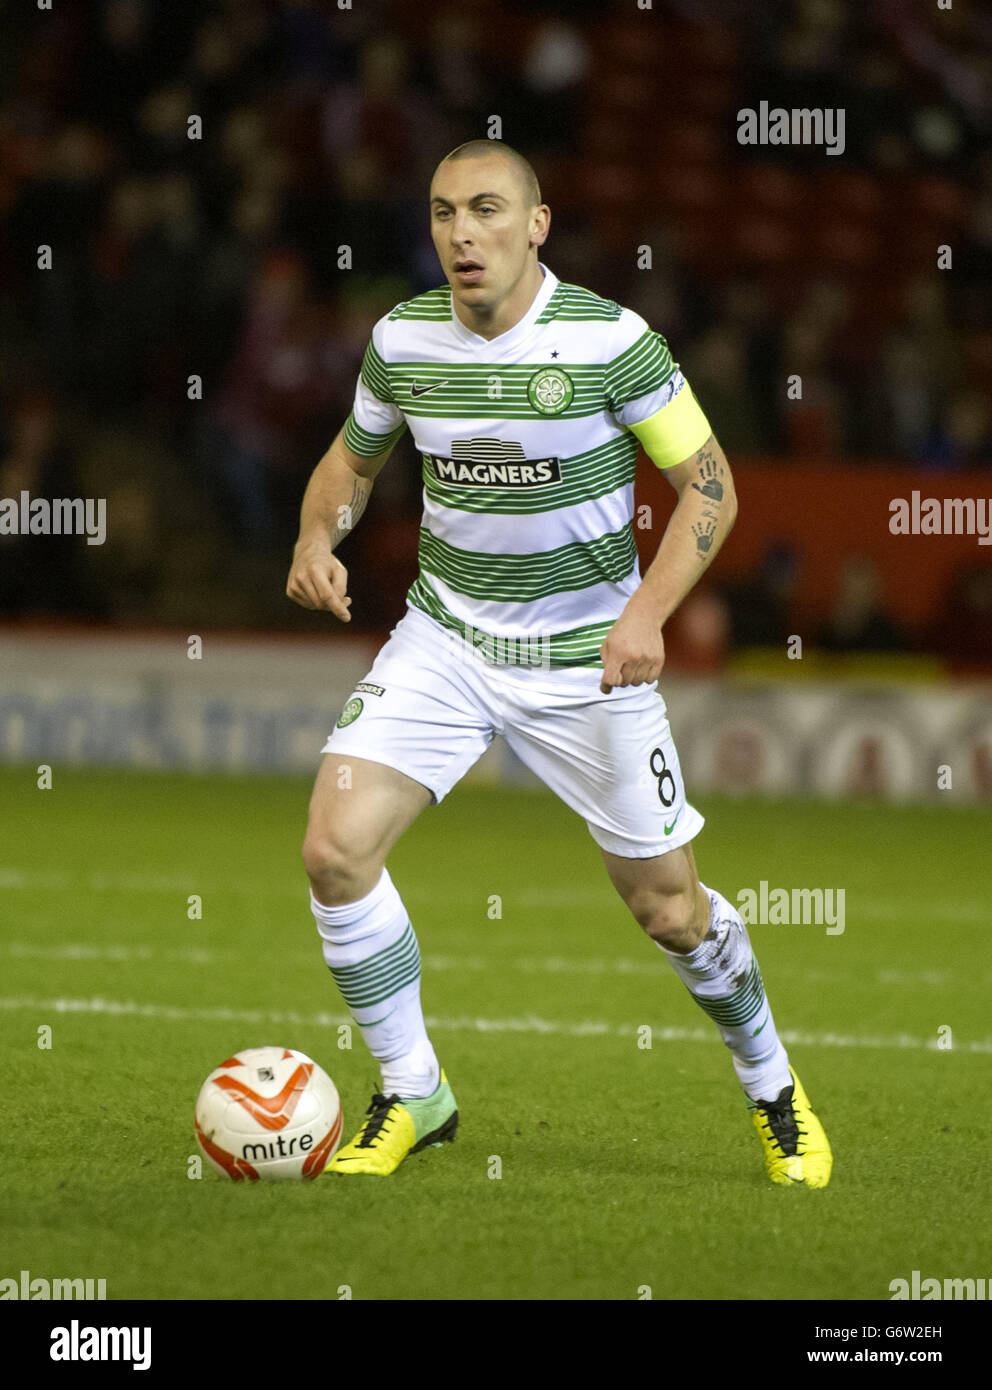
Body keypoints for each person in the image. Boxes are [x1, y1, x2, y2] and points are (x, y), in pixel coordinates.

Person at [286, 139, 832, 1187]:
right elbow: (349, 465)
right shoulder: (401, 340)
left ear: (537, 225)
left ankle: (773, 1087)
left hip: (589, 655)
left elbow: (711, 488)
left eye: (486, 209)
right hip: (447, 639)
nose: (461, 233)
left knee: (670, 910)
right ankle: (413, 1089)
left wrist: (646, 614)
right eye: (443, 211)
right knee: (333, 850)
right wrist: (319, 536)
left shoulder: (610, 341)